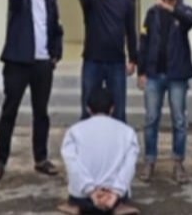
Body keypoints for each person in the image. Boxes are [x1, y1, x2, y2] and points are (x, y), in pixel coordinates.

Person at [0, 0, 64, 181]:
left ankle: (41, 158)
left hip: (43, 64)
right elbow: (13, 2)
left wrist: (55, 54)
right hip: (18, 62)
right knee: (9, 111)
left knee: (41, 112)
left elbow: (56, 28)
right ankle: (0, 160)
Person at [137, 0, 192, 184]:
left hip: (177, 75)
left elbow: (191, 20)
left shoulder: (185, 11)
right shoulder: (152, 13)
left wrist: (170, 9)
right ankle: (149, 161)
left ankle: (178, 162)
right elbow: (144, 42)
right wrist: (141, 71)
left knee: (179, 120)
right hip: (154, 74)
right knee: (151, 119)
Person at [59, 87, 140, 215]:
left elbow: (73, 165)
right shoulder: (127, 132)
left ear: (88, 109)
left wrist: (91, 191)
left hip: (84, 197)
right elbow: (129, 166)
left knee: (75, 187)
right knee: (122, 186)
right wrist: (116, 193)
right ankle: (118, 206)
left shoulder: (74, 131)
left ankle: (76, 206)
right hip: (114, 197)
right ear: (112, 108)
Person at [79, 0, 137, 123]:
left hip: (117, 61)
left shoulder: (124, 1)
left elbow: (130, 31)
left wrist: (133, 59)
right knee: (88, 106)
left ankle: (118, 138)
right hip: (92, 60)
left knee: (118, 108)